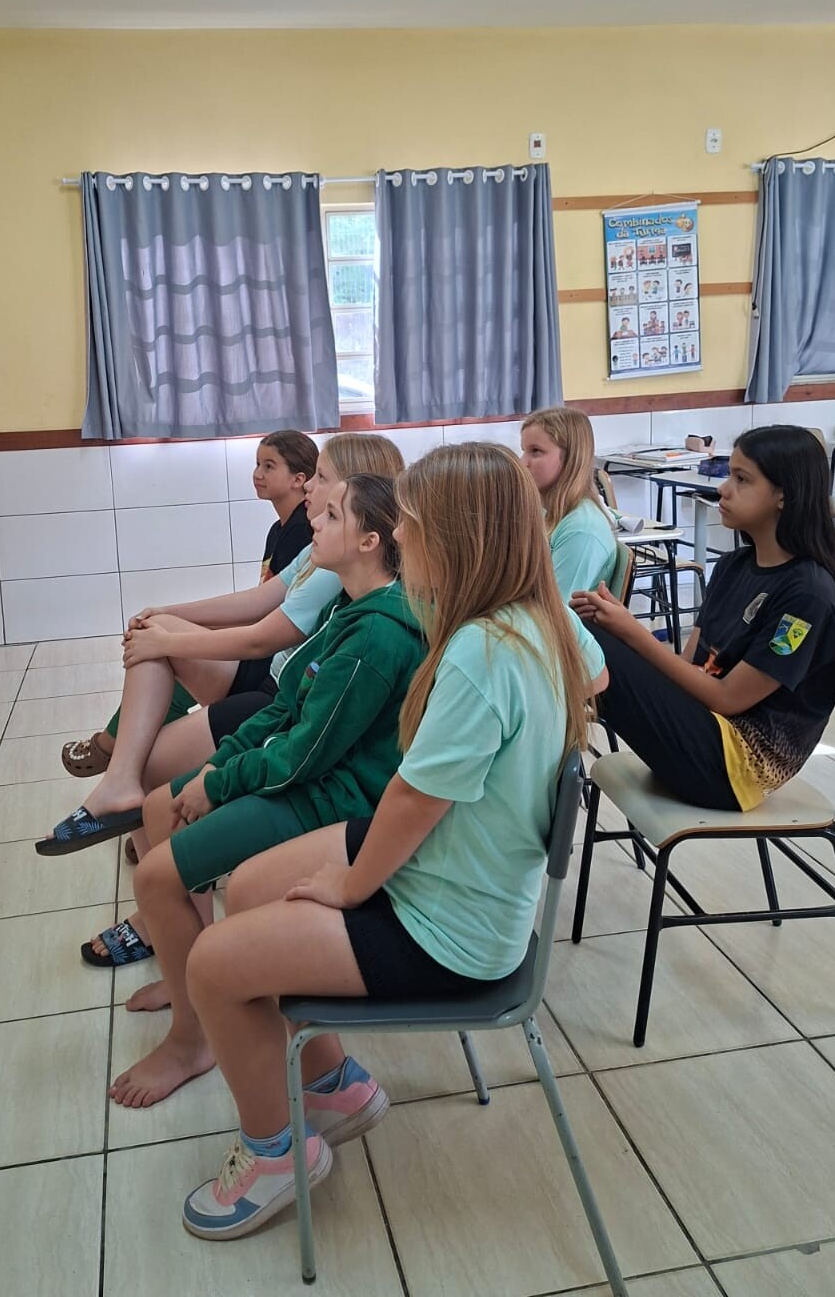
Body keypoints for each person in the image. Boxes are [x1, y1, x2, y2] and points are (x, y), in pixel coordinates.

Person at [173, 441, 604, 1241]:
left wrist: (351, 886)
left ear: (458, 538)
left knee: (212, 965)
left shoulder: (480, 653)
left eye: (411, 524)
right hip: (459, 866)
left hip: (452, 928)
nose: (399, 537)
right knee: (253, 885)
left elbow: (412, 799)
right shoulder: (528, 621)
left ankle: (274, 1156)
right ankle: (332, 1084)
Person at [101, 472, 427, 1109]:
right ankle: (189, 985)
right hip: (310, 776)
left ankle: (192, 1038)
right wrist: (218, 765)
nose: (315, 522)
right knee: (160, 807)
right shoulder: (346, 609)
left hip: (335, 798)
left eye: (331, 515)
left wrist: (220, 782)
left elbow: (306, 753)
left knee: (155, 878)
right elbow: (284, 708)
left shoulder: (378, 634)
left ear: (369, 541)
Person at [571, 425, 835, 812]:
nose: (723, 489)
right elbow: (688, 668)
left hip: (733, 767)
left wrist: (630, 632)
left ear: (784, 494)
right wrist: (618, 630)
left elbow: (727, 698)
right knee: (582, 631)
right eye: (729, 475)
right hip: (700, 728)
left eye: (742, 479)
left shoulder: (808, 596)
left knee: (579, 636)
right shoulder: (734, 566)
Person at [60, 430, 318, 780]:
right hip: (264, 646)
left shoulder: (305, 532)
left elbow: (267, 618)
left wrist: (182, 631)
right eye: (257, 464)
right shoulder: (281, 530)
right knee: (163, 640)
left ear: (299, 479)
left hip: (270, 666)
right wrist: (177, 616)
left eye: (269, 466)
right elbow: (259, 600)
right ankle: (123, 748)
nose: (257, 474)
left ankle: (114, 746)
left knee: (166, 650)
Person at [520, 407, 618, 597]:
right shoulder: (546, 512)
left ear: (571, 458)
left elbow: (556, 608)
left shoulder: (582, 529)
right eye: (524, 451)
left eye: (536, 451)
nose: (523, 462)